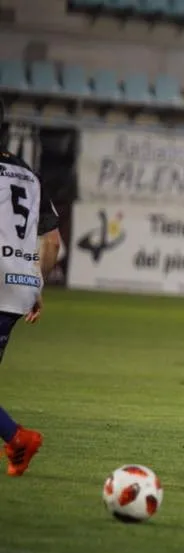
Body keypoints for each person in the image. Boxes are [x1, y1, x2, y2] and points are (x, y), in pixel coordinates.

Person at [0, 101, 61, 476]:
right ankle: (16, 439)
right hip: (17, 288)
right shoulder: (29, 174)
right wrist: (35, 283)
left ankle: (18, 438)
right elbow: (52, 243)